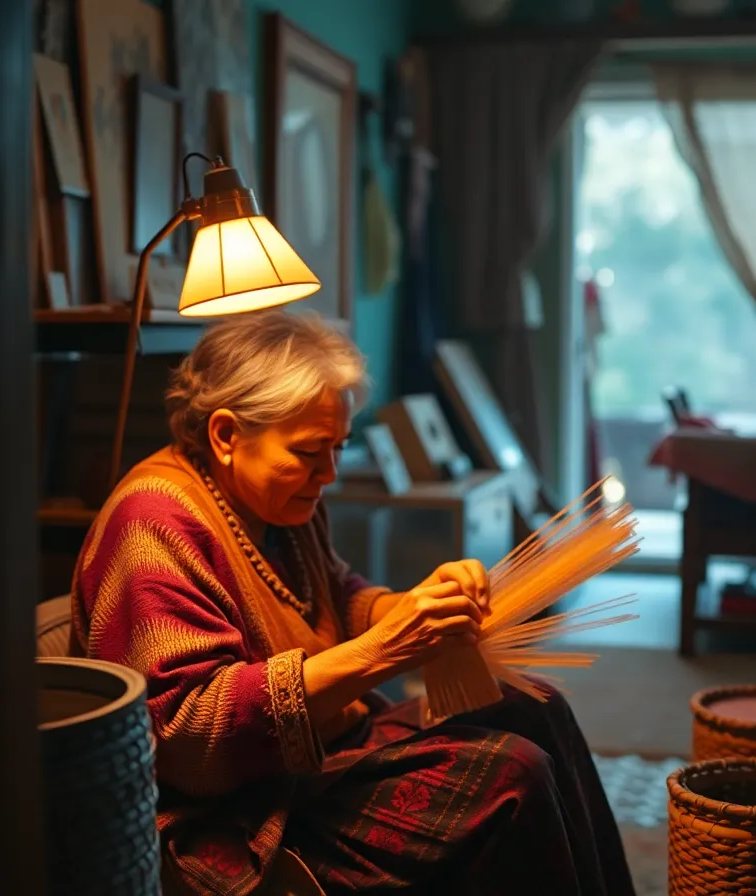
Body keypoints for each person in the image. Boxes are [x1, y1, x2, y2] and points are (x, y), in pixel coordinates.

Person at [69, 309, 636, 895]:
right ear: (226, 435)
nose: (329, 473)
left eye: (338, 448)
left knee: (537, 709)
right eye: (312, 452)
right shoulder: (154, 525)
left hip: (315, 755)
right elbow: (189, 740)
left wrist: (426, 607)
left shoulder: (276, 500)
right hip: (234, 811)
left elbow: (339, 597)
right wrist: (384, 651)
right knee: (514, 775)